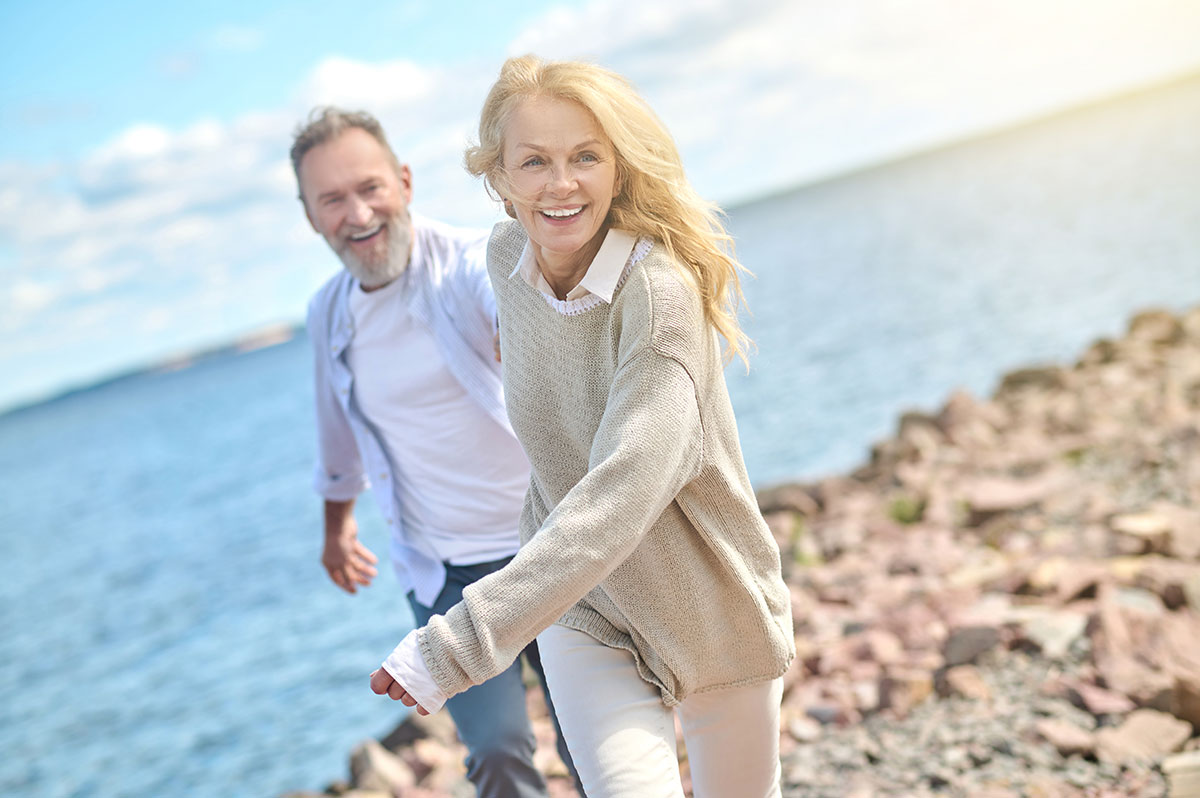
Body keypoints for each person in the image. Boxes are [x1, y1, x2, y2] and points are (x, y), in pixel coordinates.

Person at [369, 57, 796, 797]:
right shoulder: (506, 260)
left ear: (619, 169)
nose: (559, 184)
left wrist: (456, 646)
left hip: (710, 613)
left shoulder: (659, 298)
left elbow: (623, 493)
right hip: (585, 610)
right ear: (498, 178)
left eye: (585, 157)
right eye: (533, 161)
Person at [292, 106, 579, 798]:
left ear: (405, 182)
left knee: (587, 734)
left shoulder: (473, 262)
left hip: (551, 549)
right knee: (499, 751)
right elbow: (338, 435)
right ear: (311, 217)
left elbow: (515, 312)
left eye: (370, 188)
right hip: (446, 575)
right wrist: (337, 530)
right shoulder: (328, 314)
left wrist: (528, 340)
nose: (358, 213)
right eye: (332, 199)